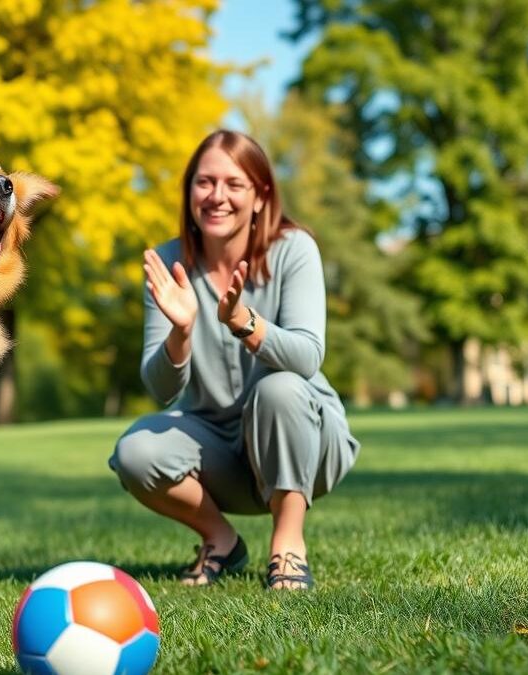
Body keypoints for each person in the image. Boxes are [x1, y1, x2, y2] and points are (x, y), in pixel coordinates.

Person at [109, 130, 360, 590]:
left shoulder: (294, 249)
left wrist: (244, 321)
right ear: (188, 192)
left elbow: (307, 357)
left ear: (261, 196)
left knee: (278, 387)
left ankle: (288, 545)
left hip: (306, 440)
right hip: (220, 448)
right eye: (204, 183)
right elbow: (161, 389)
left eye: (234, 184)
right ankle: (222, 541)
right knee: (135, 450)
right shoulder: (168, 262)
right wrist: (181, 333)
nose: (216, 196)